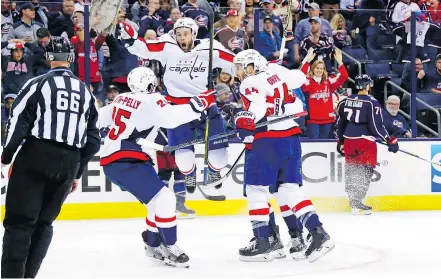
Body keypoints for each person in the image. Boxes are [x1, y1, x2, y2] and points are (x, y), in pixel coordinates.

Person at [1, 36, 100, 278]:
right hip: (68, 163)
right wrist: (77, 171)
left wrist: (6, 157)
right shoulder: (85, 92)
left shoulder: (37, 83)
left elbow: (18, 121)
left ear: (48, 58)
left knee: (20, 222)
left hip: (36, 155)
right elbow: (94, 140)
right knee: (43, 225)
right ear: (70, 59)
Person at [99, 66, 217, 268]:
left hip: (114, 159)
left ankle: (152, 244)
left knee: (156, 203)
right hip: (127, 159)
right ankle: (169, 246)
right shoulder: (152, 99)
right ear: (151, 83)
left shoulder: (120, 99)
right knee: (165, 198)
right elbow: (172, 118)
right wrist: (200, 103)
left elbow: (99, 118)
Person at [233, 49, 334, 262]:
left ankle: (264, 242)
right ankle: (318, 233)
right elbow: (298, 79)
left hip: (267, 139)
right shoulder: (275, 72)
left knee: (255, 190)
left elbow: (258, 106)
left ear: (251, 67)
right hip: (291, 138)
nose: (238, 72)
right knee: (288, 190)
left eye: (241, 66)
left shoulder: (249, 82)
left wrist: (246, 118)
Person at [118, 18, 235, 191]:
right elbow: (146, 49)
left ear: (193, 34)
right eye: (178, 34)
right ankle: (190, 173)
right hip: (176, 109)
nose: (182, 38)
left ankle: (213, 169)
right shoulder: (168, 46)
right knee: (183, 160)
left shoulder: (210, 48)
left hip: (205, 106)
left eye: (186, 34)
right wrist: (131, 40)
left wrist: (256, 68)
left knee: (219, 156)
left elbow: (234, 62)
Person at [336, 75, 399, 215]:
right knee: (366, 170)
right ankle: (358, 201)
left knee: (352, 169)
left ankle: (353, 203)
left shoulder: (345, 100)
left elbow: (340, 123)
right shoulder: (372, 102)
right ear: (367, 86)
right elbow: (376, 126)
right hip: (365, 141)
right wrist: (389, 139)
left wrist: (340, 141)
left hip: (348, 139)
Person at [300, 48, 348, 139]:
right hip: (313, 121)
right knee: (314, 146)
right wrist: (307, 61)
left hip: (327, 120)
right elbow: (299, 76)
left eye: (321, 68)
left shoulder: (329, 81)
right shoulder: (308, 82)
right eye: (317, 68)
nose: (319, 70)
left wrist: (340, 62)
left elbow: (344, 76)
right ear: (313, 69)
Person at [155, 128, 196, 219]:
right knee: (168, 174)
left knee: (174, 174)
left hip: (169, 141)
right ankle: (166, 206)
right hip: (165, 143)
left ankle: (176, 205)